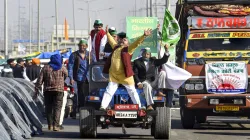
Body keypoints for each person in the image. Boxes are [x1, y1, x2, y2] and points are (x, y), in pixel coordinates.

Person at [100, 25, 152, 110]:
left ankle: (138, 107)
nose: (121, 40)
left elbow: (137, 43)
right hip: (114, 76)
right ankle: (103, 106)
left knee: (132, 91)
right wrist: (107, 33)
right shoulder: (116, 47)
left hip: (125, 76)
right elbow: (111, 41)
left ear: (127, 43)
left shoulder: (128, 49)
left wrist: (144, 36)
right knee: (109, 91)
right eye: (121, 39)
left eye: (124, 40)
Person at [35, 54, 68, 131]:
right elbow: (67, 75)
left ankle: (50, 125)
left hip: (48, 91)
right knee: (57, 108)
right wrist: (61, 81)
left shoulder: (45, 68)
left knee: (48, 108)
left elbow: (40, 80)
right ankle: (56, 126)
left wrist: (37, 88)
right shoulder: (62, 67)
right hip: (59, 90)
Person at [68, 39, 95, 107]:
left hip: (89, 78)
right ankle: (80, 108)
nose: (82, 47)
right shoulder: (74, 55)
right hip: (79, 78)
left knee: (89, 94)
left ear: (86, 46)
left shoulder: (90, 55)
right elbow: (70, 67)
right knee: (80, 94)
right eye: (80, 46)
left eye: (84, 46)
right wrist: (71, 78)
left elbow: (95, 65)